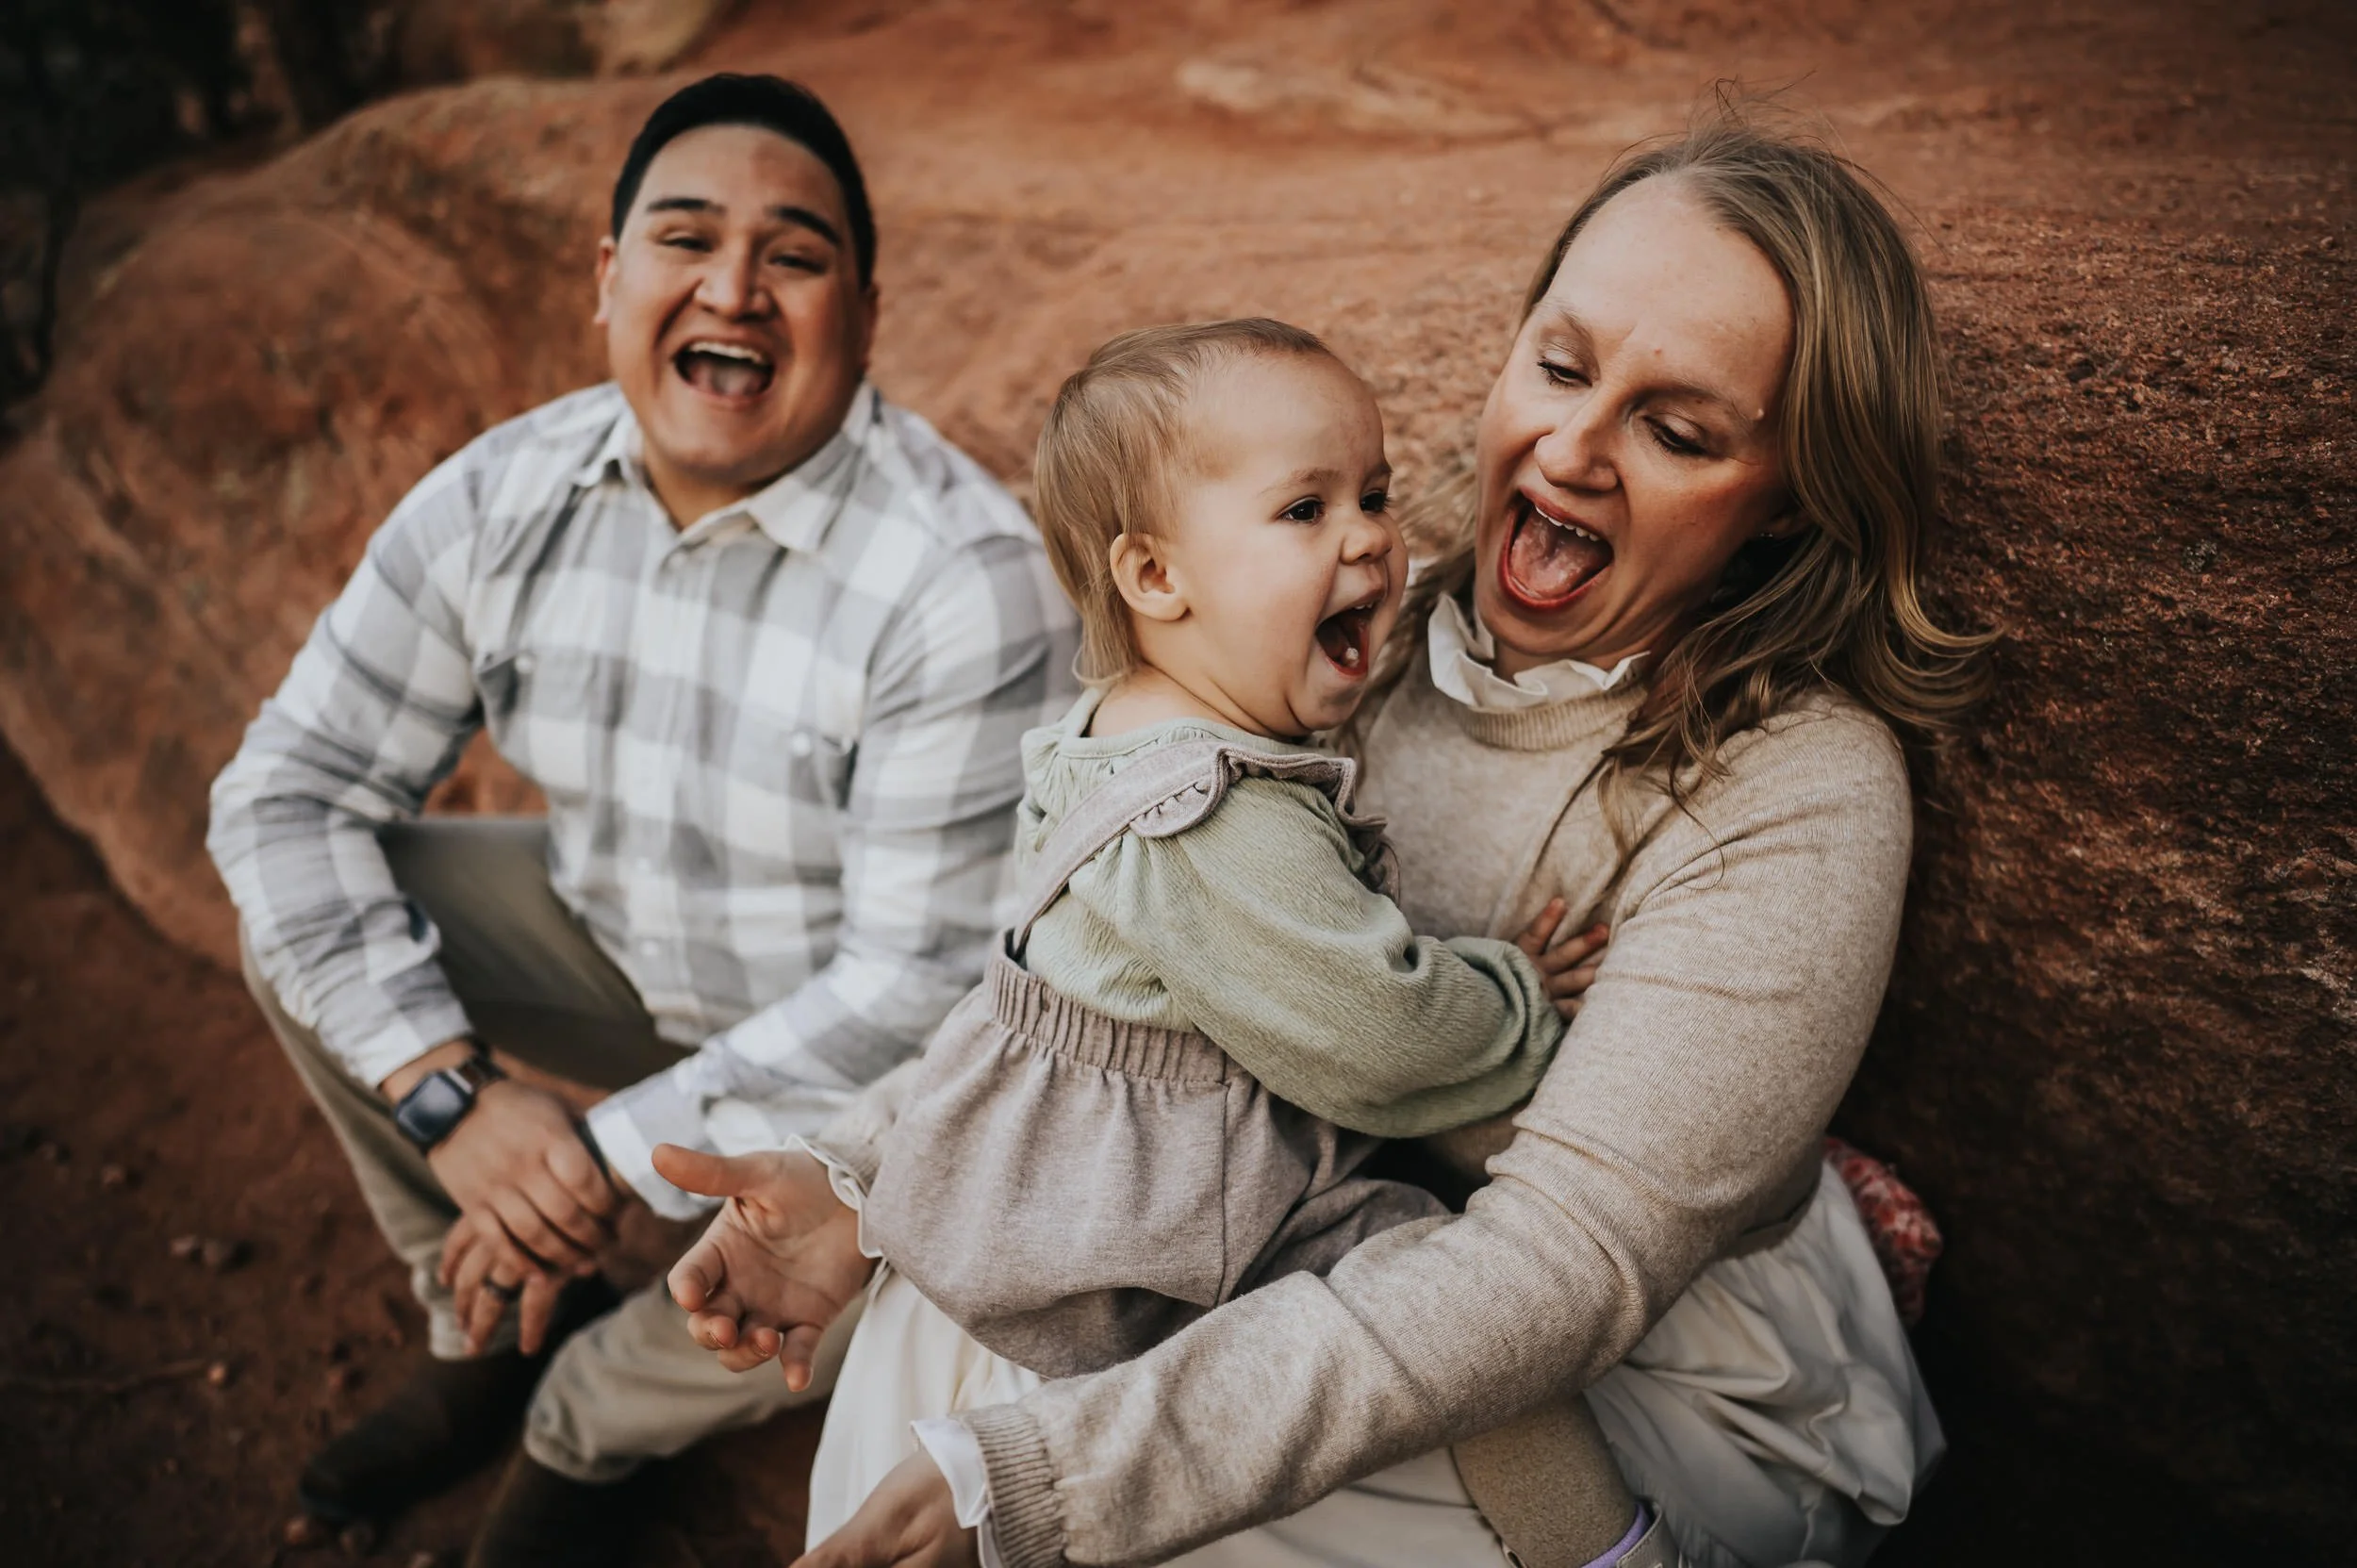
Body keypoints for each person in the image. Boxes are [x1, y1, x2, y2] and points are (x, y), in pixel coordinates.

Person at [655, 108, 1988, 1568]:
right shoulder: (1338, 643)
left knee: (1038, 1434)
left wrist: (1064, 1476)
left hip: (1632, 1368)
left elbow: (1553, 1273)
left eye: (1674, 430)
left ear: (1793, 506)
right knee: (960, 1325)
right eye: (1558, 365)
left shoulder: (1798, 790)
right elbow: (1101, 1001)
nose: (1572, 446)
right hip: (1315, 1225)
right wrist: (861, 1187)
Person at [206, 73, 1077, 1568]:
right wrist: (453, 1100)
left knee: (946, 1179)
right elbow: (284, 791)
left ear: (864, 314)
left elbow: (922, 992)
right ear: (608, 283)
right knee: (306, 923)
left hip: (883, 1066)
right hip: (616, 946)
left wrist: (596, 1158)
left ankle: (586, 1414)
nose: (733, 287)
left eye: (793, 255)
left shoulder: (961, 577)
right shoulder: (503, 492)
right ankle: (484, 1313)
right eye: (684, 239)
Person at [660, 317, 1612, 1539]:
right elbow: (1382, 1034)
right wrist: (1517, 991)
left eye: (1371, 494)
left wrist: (855, 1166)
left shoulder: (1110, 737)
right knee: (1472, 1317)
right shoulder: (1214, 824)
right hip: (1083, 1316)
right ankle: (1614, 1548)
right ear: (1157, 577)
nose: (1371, 534)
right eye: (1304, 511)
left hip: (1033, 1266)